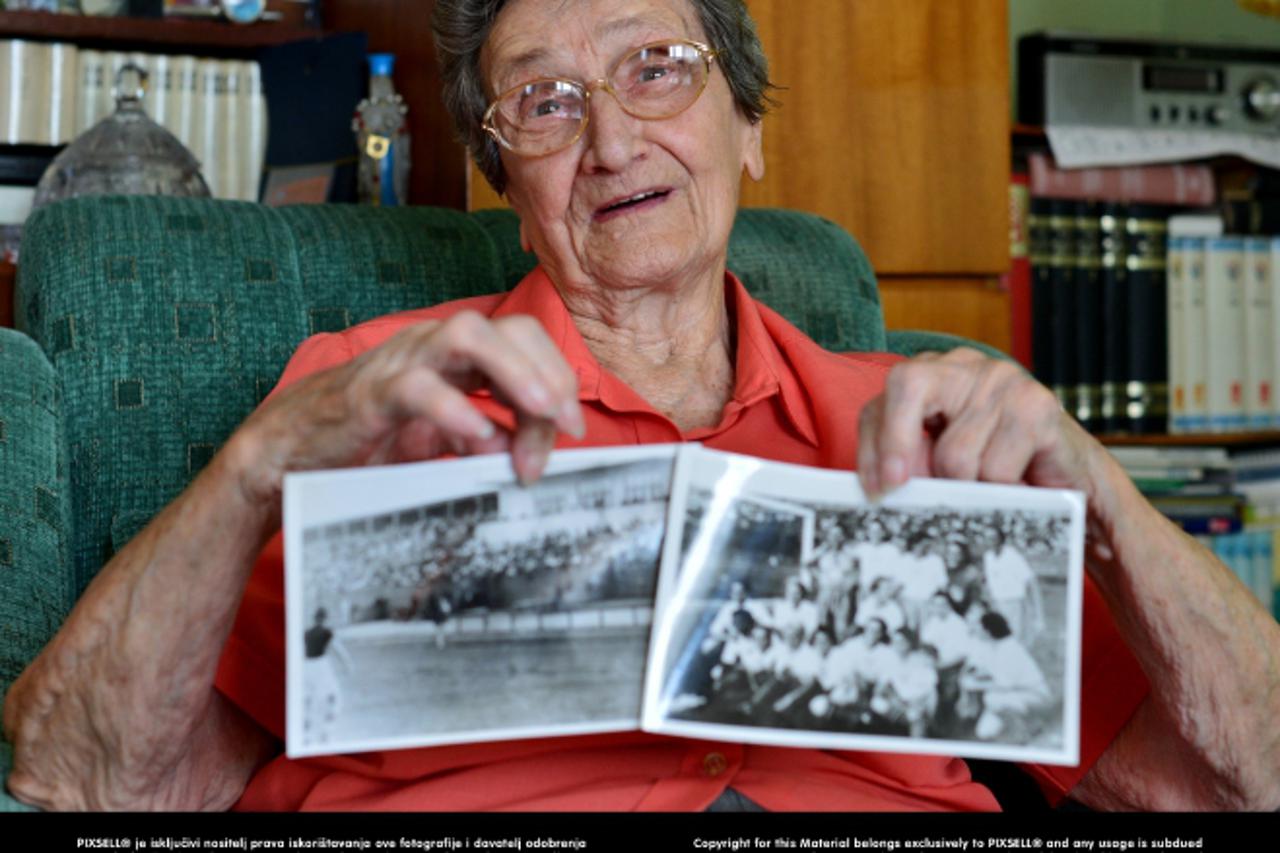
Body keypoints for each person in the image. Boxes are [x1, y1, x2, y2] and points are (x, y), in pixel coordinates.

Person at [4, 0, 1279, 813]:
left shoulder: (924, 426)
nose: (611, 141)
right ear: (505, 178)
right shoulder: (375, 398)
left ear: (748, 126)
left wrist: (1102, 498)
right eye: (545, 102)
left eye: (656, 70)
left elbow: (1229, 780)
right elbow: (83, 778)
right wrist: (252, 475)